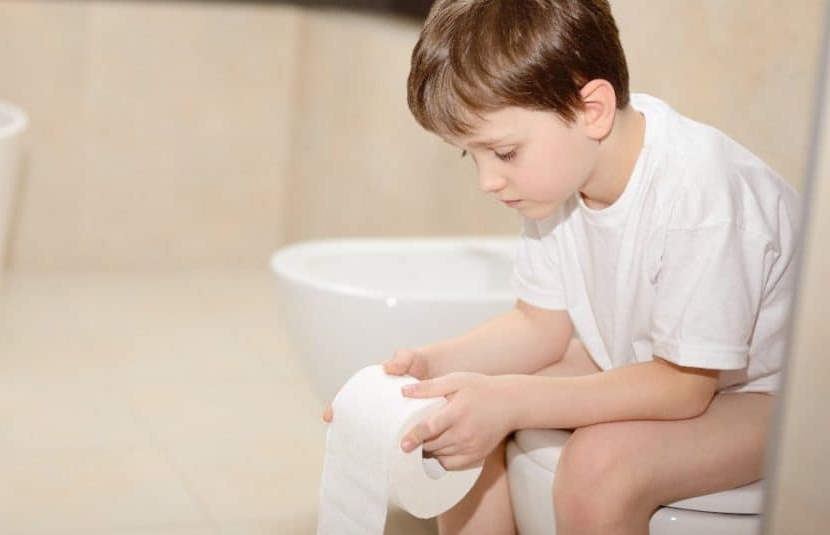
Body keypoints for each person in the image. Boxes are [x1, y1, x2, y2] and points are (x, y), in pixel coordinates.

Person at [321, 0, 803, 533]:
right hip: (659, 366)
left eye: (503, 152)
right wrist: (428, 371)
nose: (488, 181)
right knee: (459, 410)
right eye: (470, 156)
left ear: (591, 110)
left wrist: (513, 402)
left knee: (599, 467)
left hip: (782, 401)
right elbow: (539, 327)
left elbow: (682, 388)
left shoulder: (700, 197)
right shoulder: (560, 182)